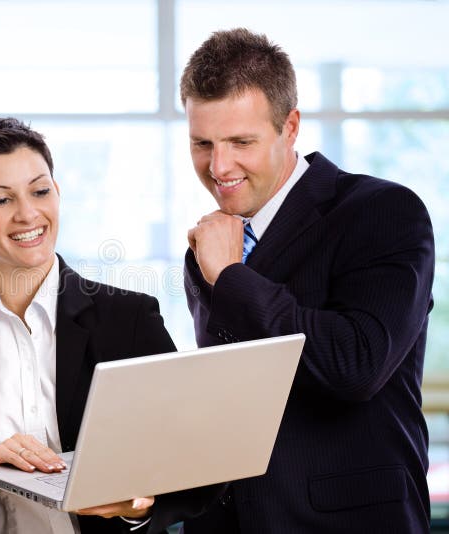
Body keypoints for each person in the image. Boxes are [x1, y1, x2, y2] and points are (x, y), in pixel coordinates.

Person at [0, 117, 221, 533]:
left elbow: (197, 465)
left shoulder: (128, 319)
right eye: (1, 200)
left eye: (40, 191)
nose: (28, 213)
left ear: (58, 194)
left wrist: (139, 505)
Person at [181, 28, 434, 533]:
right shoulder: (209, 244)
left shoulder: (383, 211)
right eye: (202, 143)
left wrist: (231, 276)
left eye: (240, 142)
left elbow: (356, 364)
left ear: (290, 127)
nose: (218, 166)